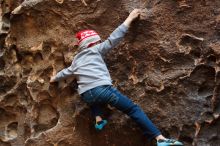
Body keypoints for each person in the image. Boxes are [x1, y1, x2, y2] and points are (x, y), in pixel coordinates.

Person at [50, 9, 183, 146]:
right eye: (98, 41)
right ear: (93, 43)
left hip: (86, 94)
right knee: (133, 109)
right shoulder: (96, 49)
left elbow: (65, 72)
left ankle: (98, 119)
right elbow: (114, 37)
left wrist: (54, 78)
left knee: (94, 99)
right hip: (102, 90)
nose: (100, 42)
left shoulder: (76, 60)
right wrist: (129, 19)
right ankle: (159, 138)